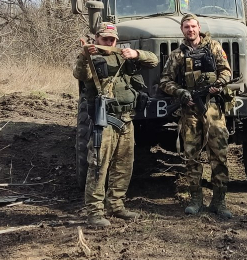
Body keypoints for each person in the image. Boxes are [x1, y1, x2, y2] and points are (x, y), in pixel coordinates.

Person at [73, 22, 158, 227]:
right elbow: (79, 74)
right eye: (105, 39)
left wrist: (136, 54)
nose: (109, 42)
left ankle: (116, 205)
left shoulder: (122, 55)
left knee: (124, 165)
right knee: (98, 165)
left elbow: (153, 60)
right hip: (105, 120)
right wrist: (85, 55)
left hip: (127, 118)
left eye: (112, 39)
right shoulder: (90, 57)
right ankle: (95, 211)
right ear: (97, 38)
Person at [159, 13, 233, 219]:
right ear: (182, 30)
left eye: (193, 26)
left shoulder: (215, 48)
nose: (190, 30)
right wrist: (181, 93)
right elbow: (164, 81)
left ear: (199, 28)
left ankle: (219, 200)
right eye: (186, 27)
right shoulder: (177, 55)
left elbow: (226, 72)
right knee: (191, 155)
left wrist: (217, 86)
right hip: (189, 111)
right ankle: (195, 199)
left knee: (219, 154)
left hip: (212, 109)